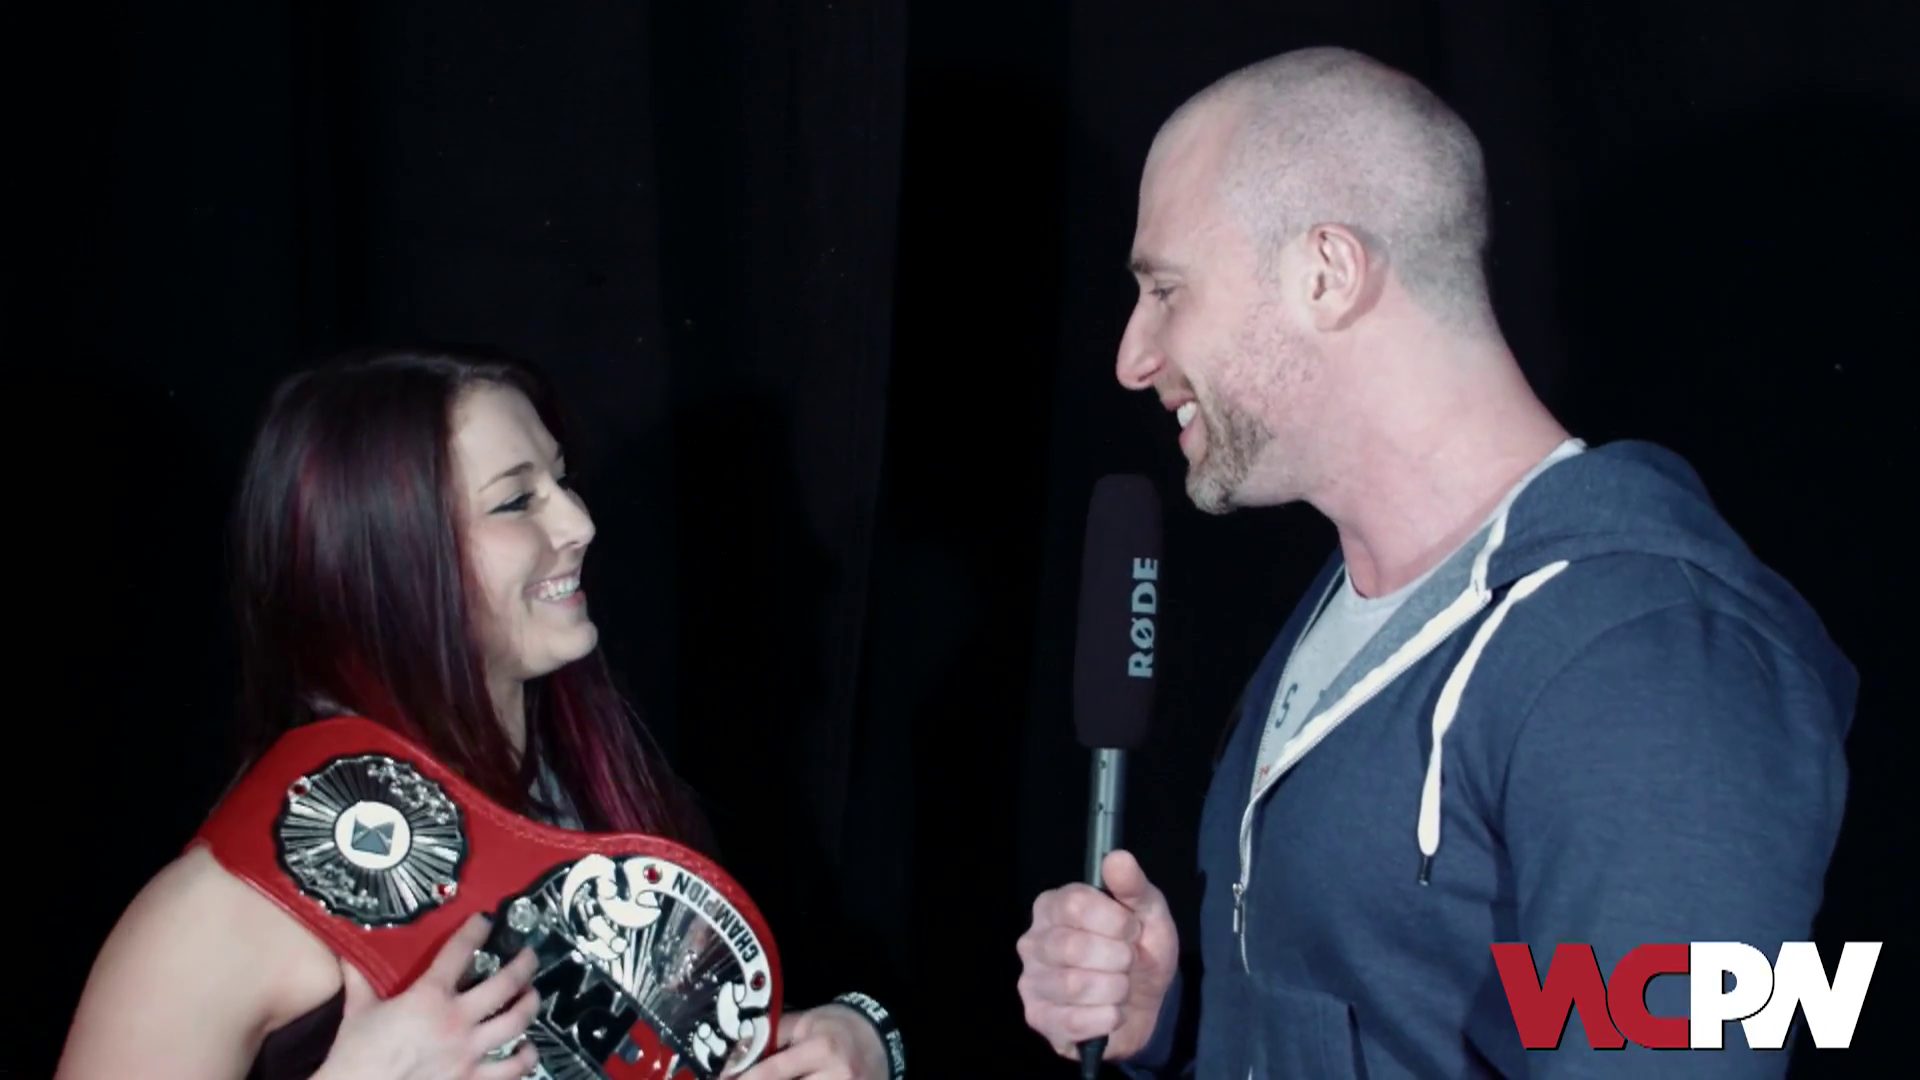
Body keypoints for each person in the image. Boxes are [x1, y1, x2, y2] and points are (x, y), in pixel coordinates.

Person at [1016, 45, 1854, 1078]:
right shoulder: (1348, 606)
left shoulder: (1648, 663)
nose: (1132, 357)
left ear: (1327, 273)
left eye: (1166, 290)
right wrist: (1176, 1027)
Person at [57, 347, 899, 1080]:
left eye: (561, 480)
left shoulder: (597, 792)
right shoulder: (224, 910)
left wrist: (857, 1037)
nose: (580, 523)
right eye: (515, 502)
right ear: (383, 559)